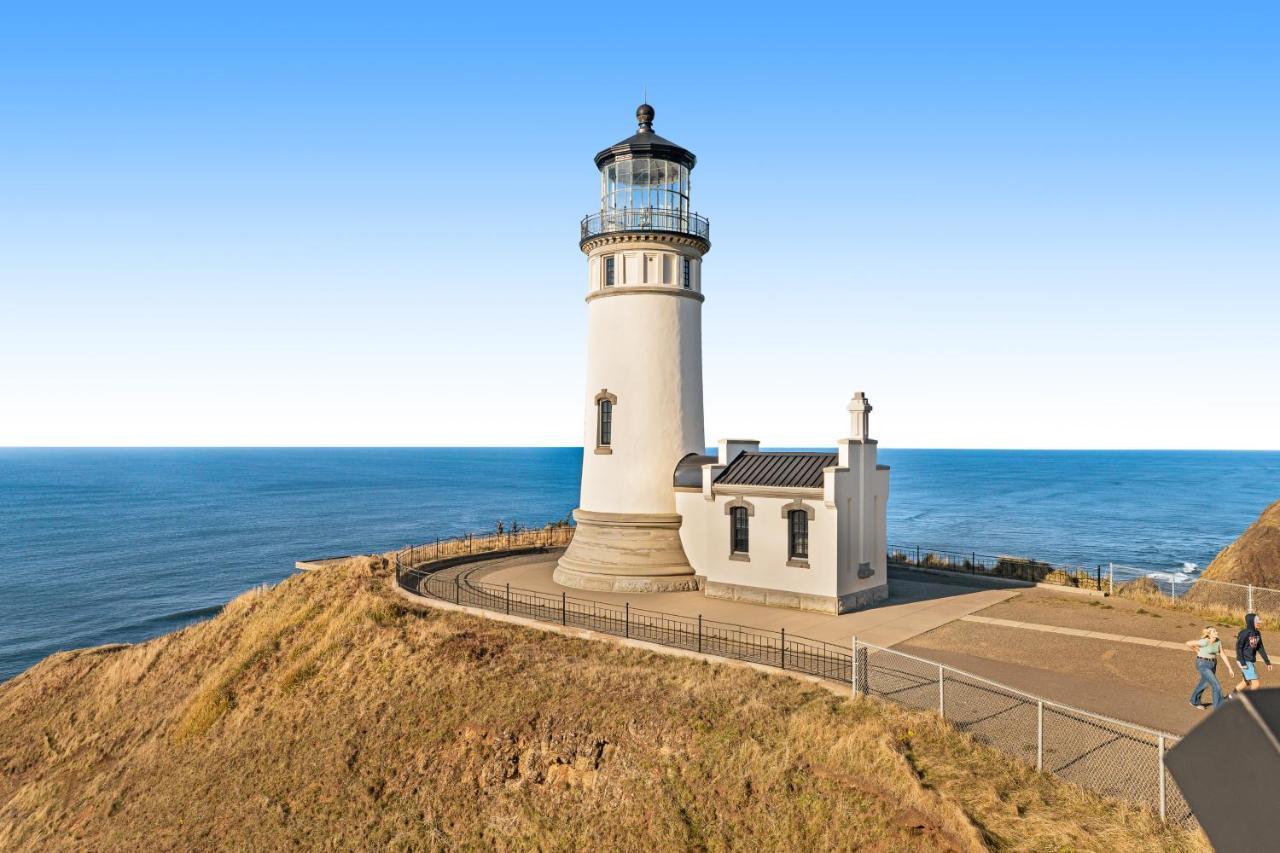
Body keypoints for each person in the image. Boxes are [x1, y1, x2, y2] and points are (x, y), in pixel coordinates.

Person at [1185, 627, 1233, 710]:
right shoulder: (1205, 641)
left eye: (1216, 630)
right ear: (1209, 634)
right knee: (1216, 685)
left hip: (1213, 664)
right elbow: (1188, 643)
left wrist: (1230, 668)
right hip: (1202, 664)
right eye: (1214, 631)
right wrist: (1196, 650)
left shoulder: (1218, 641)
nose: (1216, 632)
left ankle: (1194, 701)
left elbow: (1223, 655)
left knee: (1204, 683)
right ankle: (1219, 707)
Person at [1230, 612, 1272, 697]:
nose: (1259, 622)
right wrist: (1242, 663)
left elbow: (1260, 648)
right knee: (1256, 684)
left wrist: (1267, 662)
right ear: (1251, 622)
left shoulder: (1257, 633)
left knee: (1246, 682)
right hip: (1244, 660)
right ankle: (1250, 703)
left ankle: (1230, 697)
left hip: (1251, 660)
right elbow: (1239, 648)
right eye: (1257, 621)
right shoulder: (1245, 633)